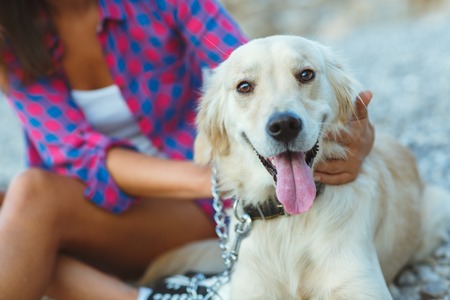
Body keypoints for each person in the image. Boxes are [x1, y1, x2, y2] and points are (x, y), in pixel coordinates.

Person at [0, 0, 374, 299]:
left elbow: (245, 66)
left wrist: (360, 134)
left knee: (32, 197)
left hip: (196, 200)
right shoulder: (12, 39)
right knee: (17, 217)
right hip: (96, 206)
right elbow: (75, 154)